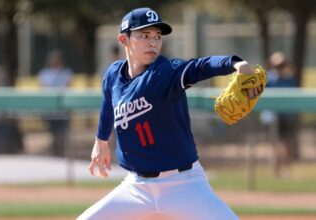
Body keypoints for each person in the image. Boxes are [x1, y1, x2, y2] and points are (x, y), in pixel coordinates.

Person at [78, 7, 262, 220]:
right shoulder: (113, 75)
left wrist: (235, 63)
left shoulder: (166, 72)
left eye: (157, 36)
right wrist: (100, 141)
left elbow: (199, 66)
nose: (152, 42)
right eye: (144, 35)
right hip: (137, 187)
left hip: (184, 184)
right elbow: (108, 104)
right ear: (123, 39)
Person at [266, 51, 299, 175]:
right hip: (273, 116)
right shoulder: (268, 78)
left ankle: (285, 169)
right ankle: (275, 170)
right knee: (275, 144)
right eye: (277, 65)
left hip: (286, 116)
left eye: (281, 65)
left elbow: (293, 87)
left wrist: (289, 70)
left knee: (285, 143)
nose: (279, 67)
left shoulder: (289, 78)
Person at [38, 50, 73, 156]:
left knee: (62, 133)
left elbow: (67, 87)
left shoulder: (66, 73)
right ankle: (55, 151)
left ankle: (61, 151)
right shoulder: (44, 73)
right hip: (51, 110)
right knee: (53, 132)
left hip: (63, 110)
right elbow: (43, 88)